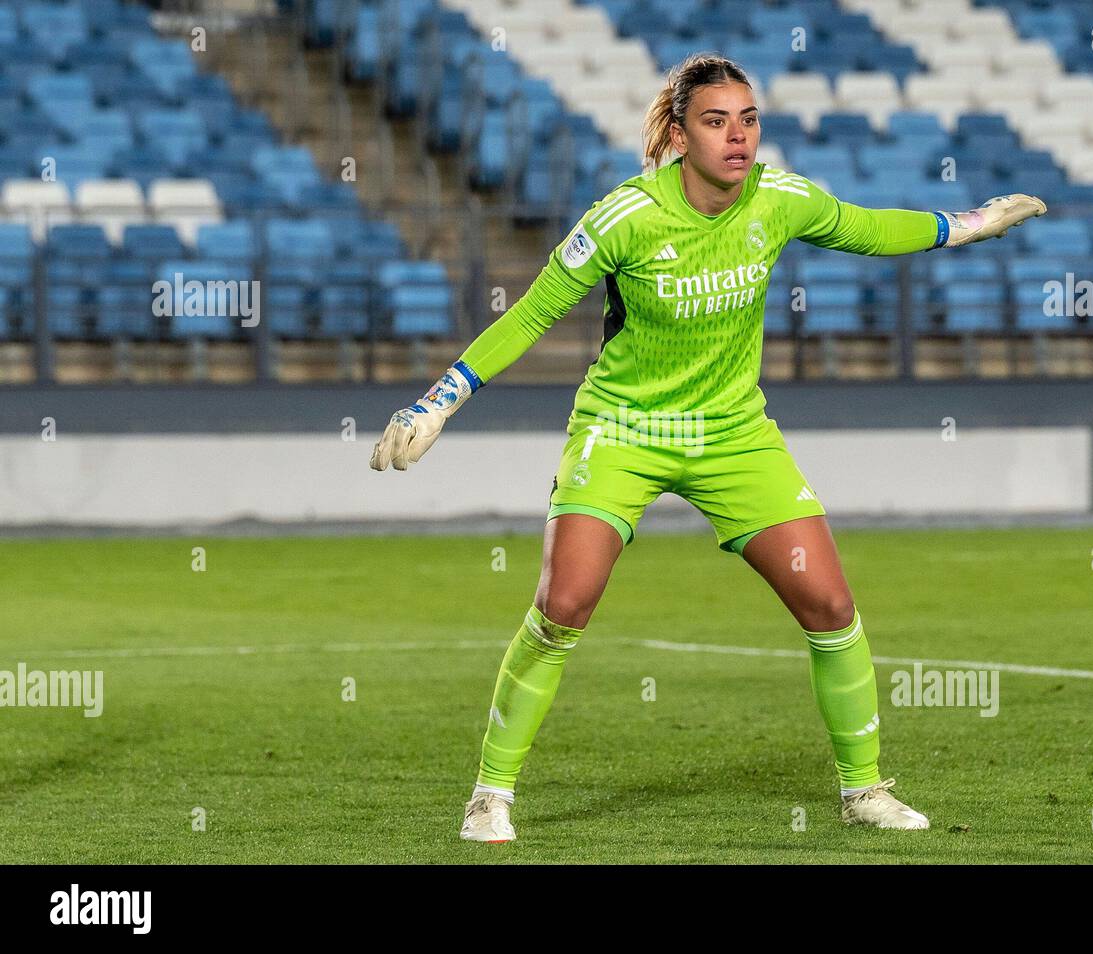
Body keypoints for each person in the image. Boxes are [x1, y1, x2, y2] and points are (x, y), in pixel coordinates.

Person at [370, 53, 1046, 843]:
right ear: (680, 133)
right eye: (716, 121)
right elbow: (531, 314)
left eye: (748, 120)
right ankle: (490, 794)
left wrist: (966, 226)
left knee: (829, 605)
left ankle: (864, 791)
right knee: (564, 606)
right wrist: (441, 400)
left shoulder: (780, 198)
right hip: (623, 431)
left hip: (732, 436)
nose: (738, 137)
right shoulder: (625, 216)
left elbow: (867, 229)